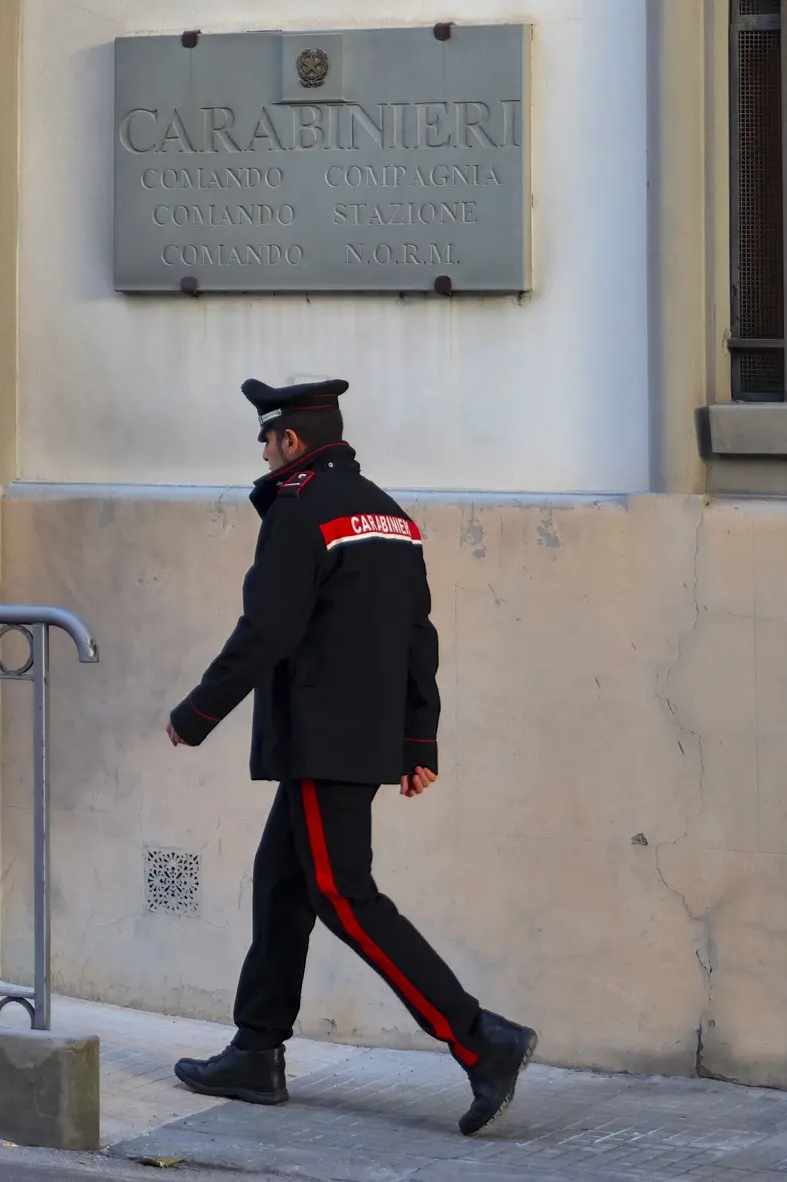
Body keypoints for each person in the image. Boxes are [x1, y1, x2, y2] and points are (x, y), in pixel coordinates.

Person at [165, 378, 537, 1138]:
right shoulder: (390, 515)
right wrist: (417, 739)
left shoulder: (302, 514)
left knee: (344, 897)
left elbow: (265, 632)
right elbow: (417, 635)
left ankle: (479, 1038)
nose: (264, 456)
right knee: (282, 885)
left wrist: (196, 713)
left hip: (319, 740)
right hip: (360, 740)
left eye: (267, 442)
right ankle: (255, 1052)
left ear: (291, 442)